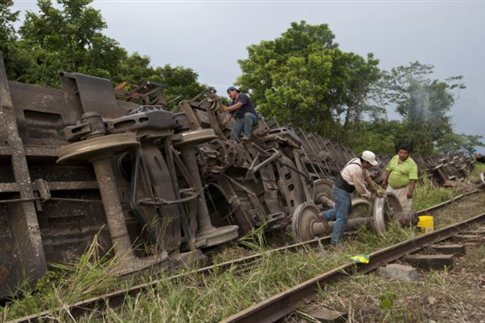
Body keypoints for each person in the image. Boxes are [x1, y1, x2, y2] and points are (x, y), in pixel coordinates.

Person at [321, 151, 379, 245]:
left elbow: (367, 175)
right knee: (342, 217)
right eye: (370, 164)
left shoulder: (357, 161)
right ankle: (335, 243)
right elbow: (360, 188)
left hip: (340, 189)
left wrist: (375, 188)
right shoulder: (356, 169)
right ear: (365, 162)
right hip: (340, 191)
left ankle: (324, 216)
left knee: (346, 210)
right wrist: (370, 196)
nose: (371, 166)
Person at [381, 144, 418, 213]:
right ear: (398, 152)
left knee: (403, 207)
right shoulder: (395, 158)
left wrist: (410, 191)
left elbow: (413, 179)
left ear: (409, 154)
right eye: (400, 152)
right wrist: (384, 180)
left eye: (405, 153)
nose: (402, 155)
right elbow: (388, 169)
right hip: (390, 187)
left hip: (402, 189)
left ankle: (404, 221)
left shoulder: (412, 164)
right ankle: (390, 221)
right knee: (388, 204)